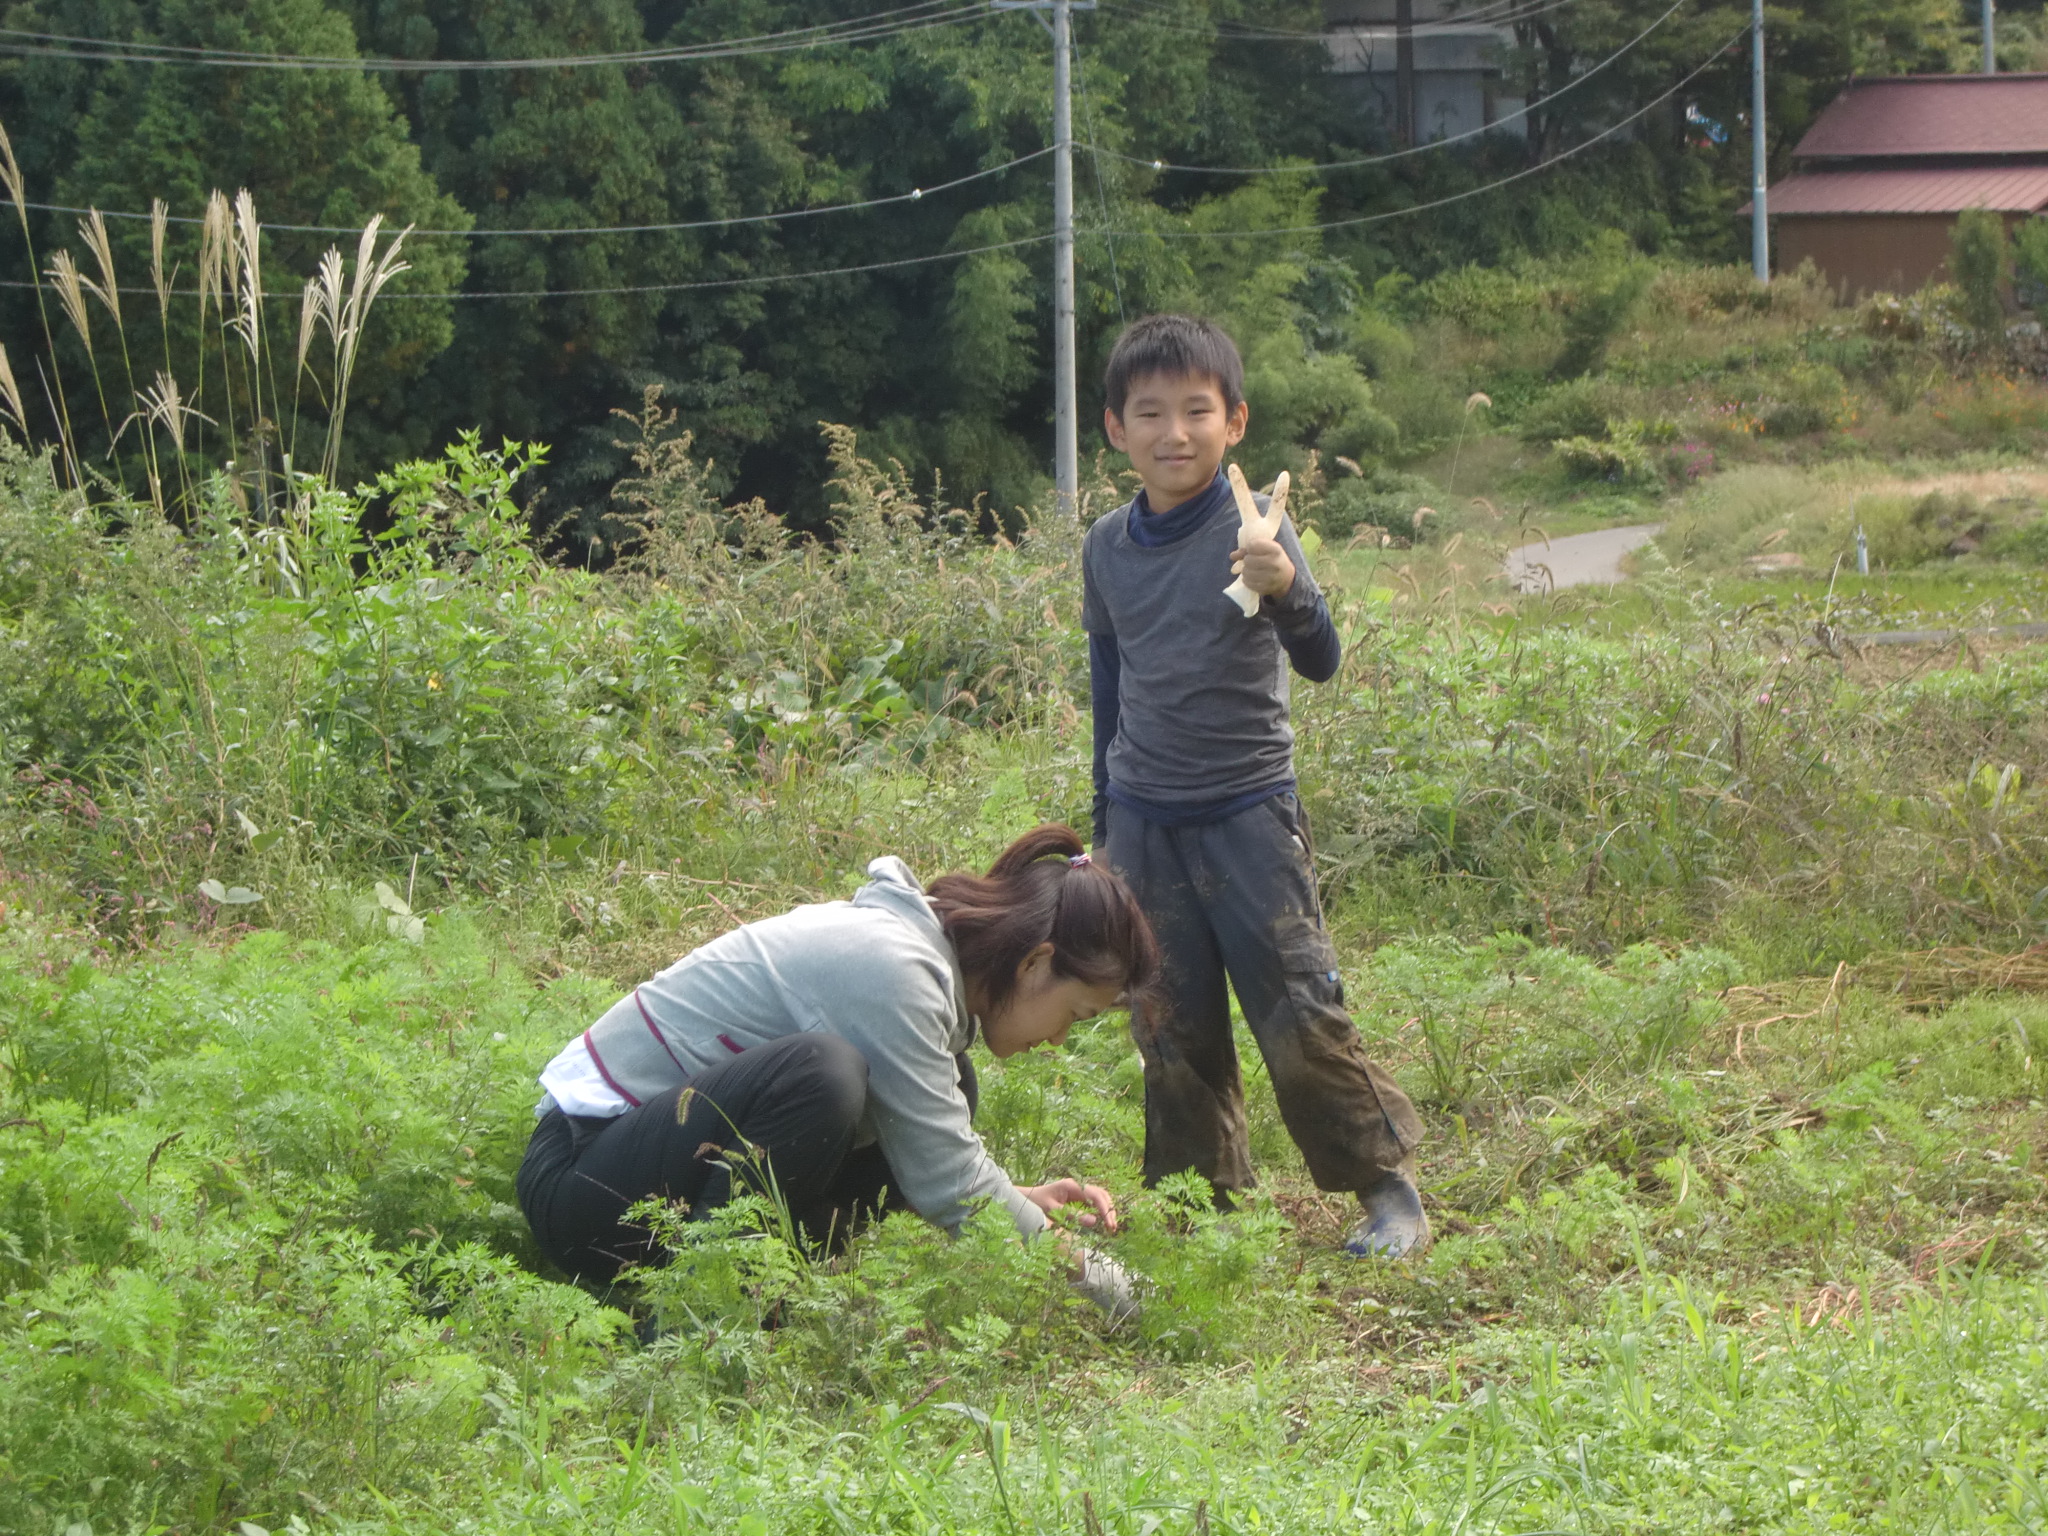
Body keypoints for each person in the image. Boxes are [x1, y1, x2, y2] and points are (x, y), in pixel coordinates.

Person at [1081, 313, 1428, 1259]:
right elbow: (1110, 688)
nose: (1175, 433)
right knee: (1168, 1024)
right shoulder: (1106, 548)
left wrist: (1284, 587)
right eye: (1150, 413)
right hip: (1145, 821)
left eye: (1197, 411)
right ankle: (1204, 1211)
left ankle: (1387, 1190)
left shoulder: (1259, 529)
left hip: (1248, 813)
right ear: (1115, 429)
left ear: (1234, 422)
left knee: (1298, 1010)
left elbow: (1322, 659)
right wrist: (1106, 826)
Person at [515, 824, 1159, 1316]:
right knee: (824, 1076)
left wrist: (1017, 1199)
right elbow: (950, 1180)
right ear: (1035, 962)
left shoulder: (918, 962)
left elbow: (937, 1159)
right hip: (582, 1183)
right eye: (1074, 1014)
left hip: (642, 1172)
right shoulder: (898, 972)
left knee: (950, 1086)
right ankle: (701, 1308)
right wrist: (1113, 1286)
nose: (1058, 1039)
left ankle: (755, 1292)